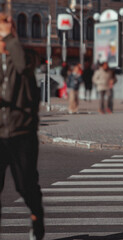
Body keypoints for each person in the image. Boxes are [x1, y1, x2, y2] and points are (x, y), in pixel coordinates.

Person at [0, 13, 44, 240]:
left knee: (25, 186)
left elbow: (21, 64)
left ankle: (37, 216)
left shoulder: (26, 57)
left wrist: (10, 36)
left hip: (22, 134)